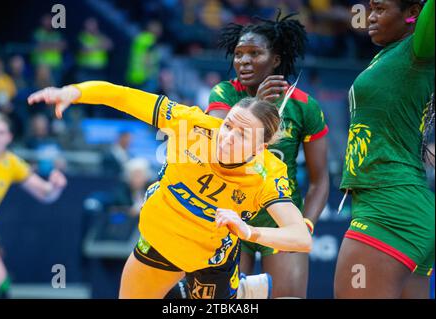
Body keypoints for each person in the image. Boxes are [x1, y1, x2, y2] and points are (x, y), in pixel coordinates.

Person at [28, 81, 312, 299]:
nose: (227, 138)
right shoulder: (191, 125)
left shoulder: (267, 173)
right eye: (227, 126)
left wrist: (248, 232)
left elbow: (300, 237)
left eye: (242, 134)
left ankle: (232, 291)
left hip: (211, 257)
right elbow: (123, 96)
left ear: (259, 148)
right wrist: (74, 92)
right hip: (162, 239)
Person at [206, 12, 329, 298]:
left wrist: (304, 225)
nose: (243, 61)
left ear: (275, 59)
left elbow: (319, 180)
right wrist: (258, 105)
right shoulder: (223, 94)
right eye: (238, 54)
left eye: (254, 53)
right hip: (229, 214)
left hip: (280, 217)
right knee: (229, 303)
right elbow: (216, 150)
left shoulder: (304, 106)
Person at [334, 0, 435, 298]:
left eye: (380, 9)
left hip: (390, 206)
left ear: (413, 14)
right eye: (369, 9)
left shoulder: (418, 49)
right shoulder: (388, 56)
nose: (370, 17)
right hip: (400, 201)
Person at [0, 111, 67, 299]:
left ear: (8, 138)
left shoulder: (11, 163)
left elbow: (46, 195)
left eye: (0, 133)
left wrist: (55, 187)